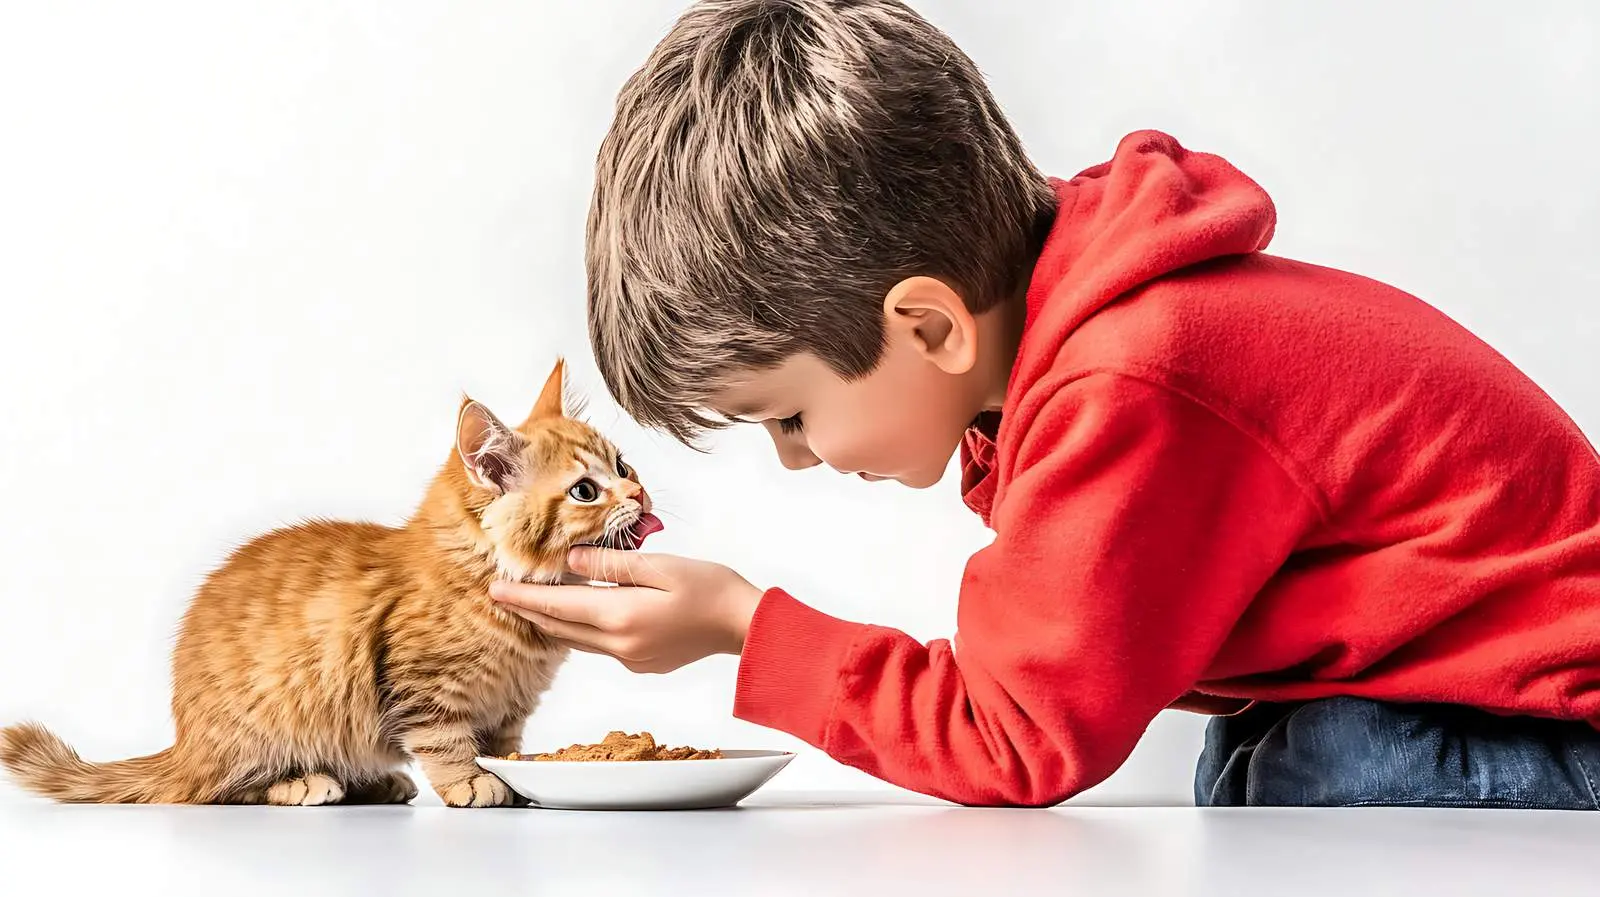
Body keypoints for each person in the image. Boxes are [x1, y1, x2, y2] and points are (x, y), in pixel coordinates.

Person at [490, 0, 1600, 808]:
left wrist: (744, 627)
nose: (796, 456)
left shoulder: (1128, 374)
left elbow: (1012, 735)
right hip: (1457, 707)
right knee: (1258, 768)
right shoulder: (1082, 327)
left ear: (929, 327)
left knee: (1317, 774)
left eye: (787, 416)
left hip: (1542, 731)